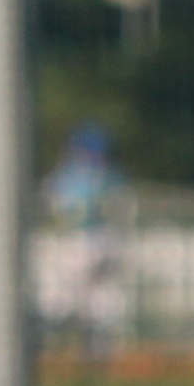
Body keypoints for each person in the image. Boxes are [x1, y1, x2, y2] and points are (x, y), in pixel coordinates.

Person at [41, 121, 128, 368]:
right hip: (104, 241)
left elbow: (55, 206)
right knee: (98, 303)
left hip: (81, 241)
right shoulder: (112, 176)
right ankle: (96, 354)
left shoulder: (70, 175)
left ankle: (51, 347)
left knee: (64, 300)